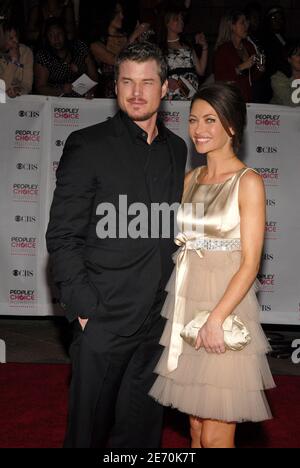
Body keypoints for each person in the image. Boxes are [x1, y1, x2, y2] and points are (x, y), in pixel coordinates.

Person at [46, 41, 187, 448]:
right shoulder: (87, 145)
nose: (137, 92)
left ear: (164, 89)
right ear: (116, 86)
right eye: (127, 81)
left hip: (156, 323)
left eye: (147, 82)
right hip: (103, 318)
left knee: (142, 434)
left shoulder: (177, 150)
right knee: (87, 433)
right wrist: (85, 312)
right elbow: (62, 234)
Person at [149, 82, 275, 449]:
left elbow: (251, 263)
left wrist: (217, 319)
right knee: (198, 430)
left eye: (209, 120)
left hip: (225, 310)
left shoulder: (248, 182)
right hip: (186, 307)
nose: (198, 129)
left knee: (219, 433)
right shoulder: (189, 180)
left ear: (232, 126)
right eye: (192, 120)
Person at [90, 1, 150, 98]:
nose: (122, 16)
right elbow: (117, 60)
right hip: (109, 94)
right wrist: (134, 36)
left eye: (122, 12)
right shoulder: (97, 43)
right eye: (117, 13)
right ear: (108, 15)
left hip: (132, 90)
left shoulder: (126, 36)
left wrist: (141, 39)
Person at [34, 18, 98, 97]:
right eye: (51, 35)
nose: (56, 39)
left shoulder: (80, 47)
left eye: (59, 34)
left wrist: (91, 91)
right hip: (56, 99)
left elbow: (93, 75)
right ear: (47, 38)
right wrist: (61, 90)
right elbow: (40, 87)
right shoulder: (44, 56)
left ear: (65, 34)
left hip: (82, 98)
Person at [157, 5, 208, 100]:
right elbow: (154, 74)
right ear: (167, 23)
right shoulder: (160, 48)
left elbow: (201, 71)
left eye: (182, 19)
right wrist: (166, 81)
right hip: (173, 93)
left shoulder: (187, 45)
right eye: (177, 19)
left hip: (191, 92)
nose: (181, 22)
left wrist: (205, 47)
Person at [214, 9, 264, 103]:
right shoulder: (223, 50)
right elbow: (220, 78)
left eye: (247, 22)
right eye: (242, 23)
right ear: (232, 26)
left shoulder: (248, 46)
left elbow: (251, 77)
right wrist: (242, 67)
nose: (247, 26)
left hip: (248, 97)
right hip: (230, 98)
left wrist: (260, 68)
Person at [0, 21, 33, 97]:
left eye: (16, 36)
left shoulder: (25, 52)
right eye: (11, 38)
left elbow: (27, 84)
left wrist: (19, 90)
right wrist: (14, 61)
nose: (16, 41)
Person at [271, 40, 300, 106]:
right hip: (281, 114)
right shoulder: (278, 78)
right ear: (289, 59)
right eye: (298, 55)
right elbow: (291, 103)